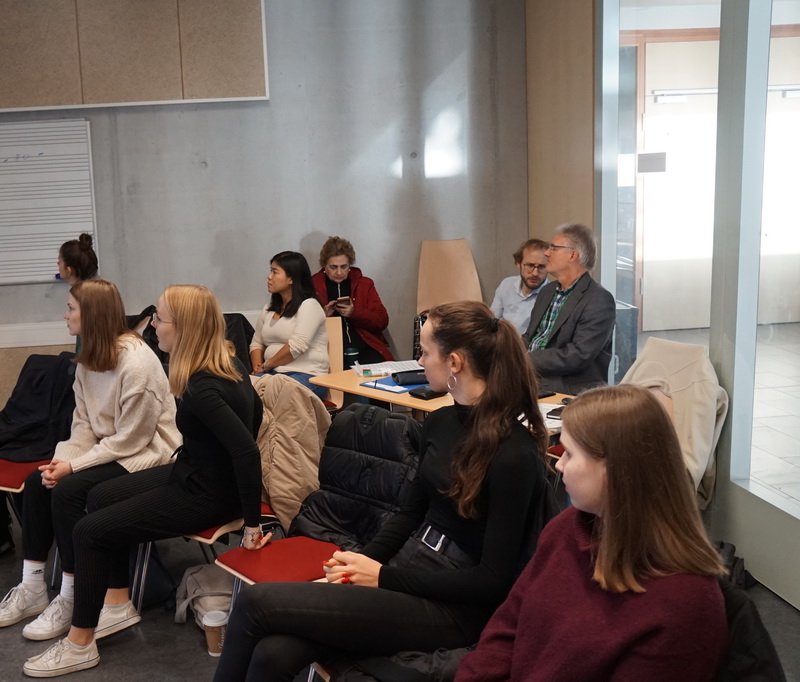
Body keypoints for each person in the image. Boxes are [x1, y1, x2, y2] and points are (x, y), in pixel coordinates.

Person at [214, 301, 550, 682]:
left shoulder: (514, 454)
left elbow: (492, 581)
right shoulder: (440, 422)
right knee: (273, 653)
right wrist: (358, 564)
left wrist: (381, 576)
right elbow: (408, 515)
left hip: (455, 607)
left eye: (425, 353)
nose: (419, 361)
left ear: (454, 362)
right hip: (410, 569)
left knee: (255, 603)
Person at [22, 284, 269, 678]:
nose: (153, 325)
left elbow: (247, 451)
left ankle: (79, 644)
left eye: (160, 319)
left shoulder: (202, 387)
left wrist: (251, 527)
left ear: (183, 327)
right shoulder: (230, 362)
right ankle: (117, 602)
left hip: (206, 493)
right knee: (99, 496)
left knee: (87, 531)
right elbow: (254, 415)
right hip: (192, 471)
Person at [456, 384, 729, 681]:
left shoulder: (685, 603)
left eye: (569, 454)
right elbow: (508, 626)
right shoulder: (566, 529)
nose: (559, 465)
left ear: (615, 470)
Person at [0, 279, 180, 641]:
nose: (65, 315)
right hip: (112, 448)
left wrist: (74, 467)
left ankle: (72, 595)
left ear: (91, 314)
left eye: (71, 308)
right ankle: (32, 586)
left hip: (149, 456)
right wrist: (60, 463)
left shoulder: (136, 363)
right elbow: (83, 427)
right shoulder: (89, 359)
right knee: (38, 482)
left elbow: (132, 439)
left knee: (68, 491)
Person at [523, 223, 616, 394]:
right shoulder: (547, 291)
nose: (546, 253)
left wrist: (524, 360)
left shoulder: (599, 299)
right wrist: (507, 351)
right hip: (531, 376)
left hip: (568, 387)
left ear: (573, 255)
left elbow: (578, 355)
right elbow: (531, 337)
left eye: (553, 248)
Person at [250, 251, 330, 399]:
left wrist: (266, 366)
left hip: (307, 375)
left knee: (275, 393)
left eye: (275, 272)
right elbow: (257, 343)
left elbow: (297, 346)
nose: (269, 277)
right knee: (242, 391)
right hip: (272, 373)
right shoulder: (268, 308)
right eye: (270, 271)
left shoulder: (309, 305)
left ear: (291, 279)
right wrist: (258, 370)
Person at [312, 236, 394, 367]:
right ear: (324, 266)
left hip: (365, 345)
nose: (339, 272)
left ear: (350, 265)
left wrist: (354, 313)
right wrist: (324, 317)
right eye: (333, 267)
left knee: (385, 372)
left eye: (344, 267)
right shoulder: (313, 286)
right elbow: (303, 328)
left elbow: (382, 321)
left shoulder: (364, 284)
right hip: (329, 348)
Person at [489, 238, 549, 335]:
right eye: (530, 265)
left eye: (542, 266)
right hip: (501, 340)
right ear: (518, 264)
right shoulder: (507, 284)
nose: (535, 273)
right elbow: (493, 320)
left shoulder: (552, 295)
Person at [56, 233, 99, 354]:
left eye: (60, 260)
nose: (57, 263)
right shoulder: (89, 290)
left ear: (68, 270)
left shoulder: (84, 296)